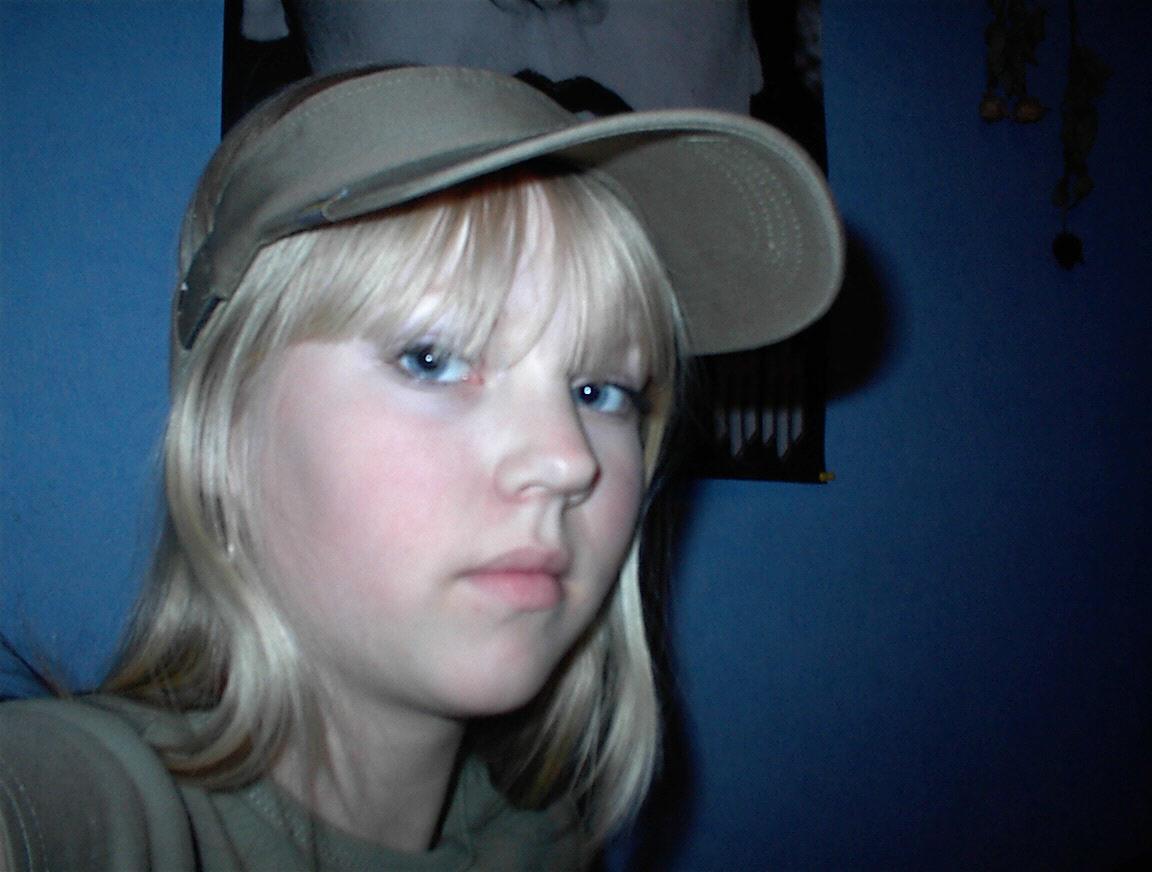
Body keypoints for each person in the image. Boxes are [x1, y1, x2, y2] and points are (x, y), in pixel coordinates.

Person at [0, 65, 842, 870]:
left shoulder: (546, 839)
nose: (566, 460)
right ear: (227, 430)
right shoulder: (94, 809)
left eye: (601, 390)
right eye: (432, 359)